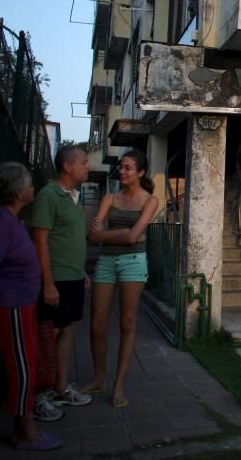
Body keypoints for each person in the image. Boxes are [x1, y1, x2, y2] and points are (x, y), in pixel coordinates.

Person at [0, 162, 64, 452]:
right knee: (22, 368)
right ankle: (26, 432)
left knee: (26, 365)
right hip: (11, 307)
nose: (33, 188)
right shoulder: (0, 222)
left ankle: (24, 426)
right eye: (30, 184)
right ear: (19, 192)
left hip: (22, 305)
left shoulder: (10, 220)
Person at [83, 150, 159, 408]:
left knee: (127, 322)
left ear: (141, 173)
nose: (122, 172)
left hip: (133, 262)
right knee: (96, 325)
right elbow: (93, 236)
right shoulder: (109, 197)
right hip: (106, 261)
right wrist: (126, 231)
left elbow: (127, 238)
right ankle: (99, 378)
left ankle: (118, 387)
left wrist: (113, 234)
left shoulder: (151, 201)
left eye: (128, 168)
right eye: (121, 168)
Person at [30, 144, 93, 409]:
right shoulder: (49, 195)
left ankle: (59, 387)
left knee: (69, 331)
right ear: (68, 166)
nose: (87, 166)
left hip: (74, 278)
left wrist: (82, 273)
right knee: (49, 335)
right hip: (55, 280)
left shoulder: (73, 197)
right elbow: (40, 240)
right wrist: (48, 283)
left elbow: (70, 239)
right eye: (83, 162)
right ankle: (36, 395)